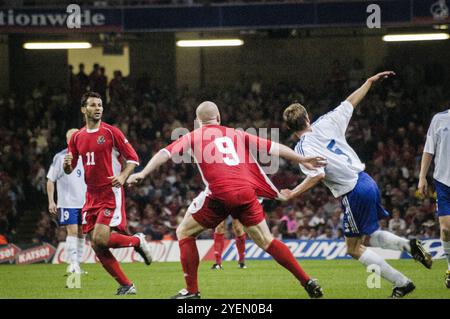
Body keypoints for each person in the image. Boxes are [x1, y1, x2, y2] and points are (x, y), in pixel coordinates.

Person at [127, 101, 326, 299]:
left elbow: (165, 153)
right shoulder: (236, 133)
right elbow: (272, 147)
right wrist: (302, 159)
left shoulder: (193, 135)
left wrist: (143, 173)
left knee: (184, 232)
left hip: (220, 194)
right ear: (219, 118)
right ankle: (306, 280)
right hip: (246, 192)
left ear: (198, 121)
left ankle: (192, 291)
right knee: (267, 240)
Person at [281, 71, 432, 298]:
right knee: (368, 236)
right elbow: (350, 101)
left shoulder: (302, 150)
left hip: (353, 191)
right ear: (308, 117)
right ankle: (409, 246)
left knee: (353, 248)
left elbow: (317, 175)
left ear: (291, 128)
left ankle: (403, 282)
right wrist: (369, 82)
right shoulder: (327, 121)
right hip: (367, 180)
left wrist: (293, 193)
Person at [63, 92, 153, 295]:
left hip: (110, 191)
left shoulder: (112, 132)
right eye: (93, 105)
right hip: (90, 195)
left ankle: (137, 241)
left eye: (100, 105)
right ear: (83, 109)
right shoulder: (77, 137)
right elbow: (72, 167)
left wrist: (122, 176)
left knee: (101, 239)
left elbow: (133, 158)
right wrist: (67, 166)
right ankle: (126, 285)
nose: (98, 108)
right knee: (96, 245)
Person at [47, 128, 87, 274]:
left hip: (85, 202)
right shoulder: (61, 157)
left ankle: (78, 264)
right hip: (68, 202)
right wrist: (51, 201)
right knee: (72, 231)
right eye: (71, 138)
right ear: (67, 140)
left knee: (83, 233)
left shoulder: (86, 155)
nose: (74, 140)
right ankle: (72, 263)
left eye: (77, 137)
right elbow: (50, 180)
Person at [418, 107, 450, 288]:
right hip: (444, 183)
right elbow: (429, 150)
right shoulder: (439, 119)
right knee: (446, 229)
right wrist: (422, 177)